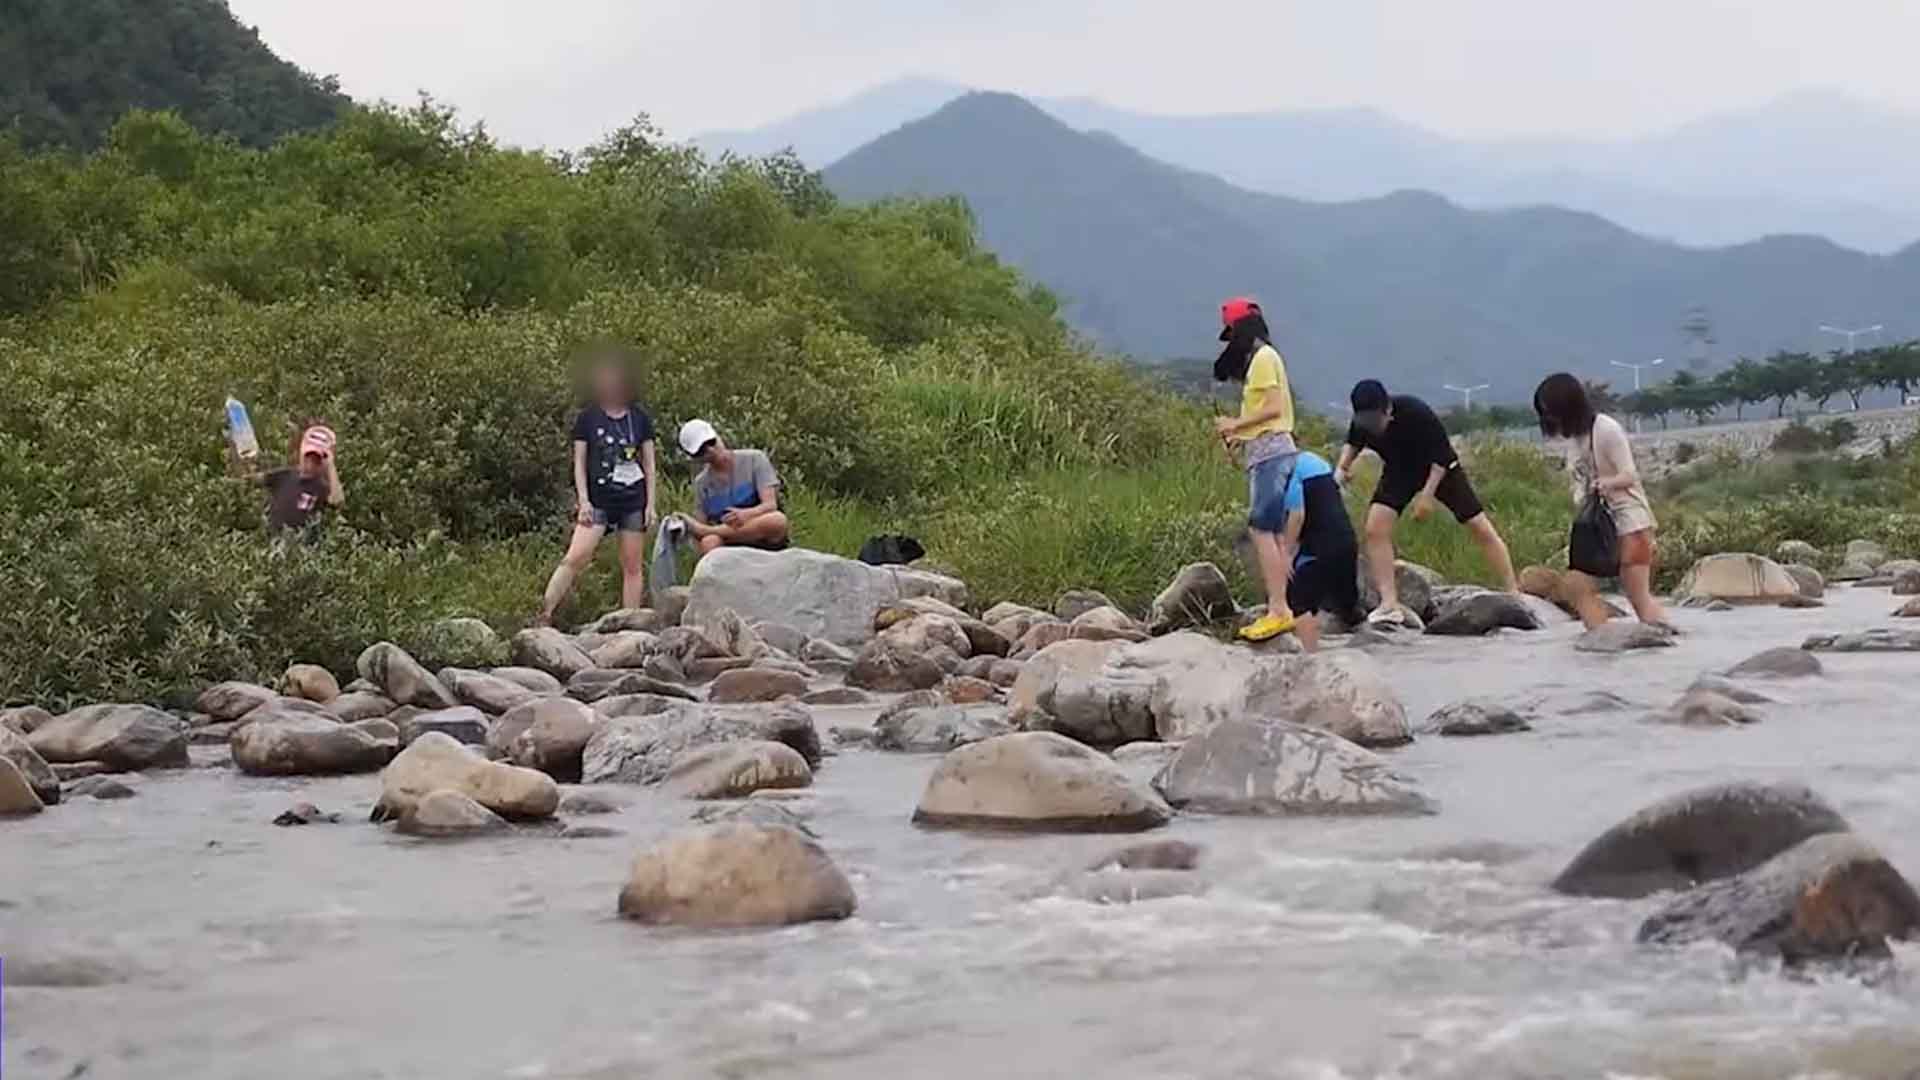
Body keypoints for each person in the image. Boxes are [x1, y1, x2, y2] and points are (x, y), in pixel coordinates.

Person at [1336, 379, 1518, 624]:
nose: (1372, 426)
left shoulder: (1415, 413)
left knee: (1479, 526)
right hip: (1400, 471)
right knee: (1375, 528)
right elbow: (1353, 444)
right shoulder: (1363, 422)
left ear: (1387, 409)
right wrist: (1343, 468)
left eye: (1376, 420)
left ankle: (1514, 591)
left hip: (1440, 469)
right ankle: (1389, 603)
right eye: (1366, 421)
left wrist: (1427, 496)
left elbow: (1441, 456)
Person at [1532, 373, 1670, 631]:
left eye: (1550, 411)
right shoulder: (1576, 437)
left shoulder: (1606, 429)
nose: (1547, 418)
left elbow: (1629, 475)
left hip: (1630, 523)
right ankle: (1604, 640)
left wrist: (1605, 484)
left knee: (1639, 599)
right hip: (1597, 528)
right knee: (1577, 586)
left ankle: (1660, 641)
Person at [535, 357, 657, 626]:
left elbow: (649, 464)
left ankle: (630, 622)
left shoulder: (639, 419)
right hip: (598, 498)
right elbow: (578, 462)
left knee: (632, 565)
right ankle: (544, 612)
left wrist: (651, 504)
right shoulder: (588, 418)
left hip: (632, 498)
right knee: (575, 556)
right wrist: (583, 500)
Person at [1210, 297, 1300, 642]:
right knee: (1273, 532)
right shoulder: (1267, 356)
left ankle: (1278, 610)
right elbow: (1267, 412)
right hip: (1271, 450)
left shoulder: (1262, 358)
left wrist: (1234, 424)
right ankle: (1282, 607)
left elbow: (1273, 408)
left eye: (1231, 332)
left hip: (1271, 453)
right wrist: (1240, 434)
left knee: (1262, 529)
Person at [1273, 451, 1363, 651]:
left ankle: (1312, 659)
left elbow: (1297, 515)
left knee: (1298, 598)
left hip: (1320, 548)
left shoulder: (1288, 469)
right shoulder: (1316, 461)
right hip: (1347, 542)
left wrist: (1285, 553)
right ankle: (1369, 646)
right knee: (1346, 607)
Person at [677, 419, 790, 555]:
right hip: (729, 542)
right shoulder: (702, 484)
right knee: (709, 542)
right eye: (702, 451)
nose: (711, 451)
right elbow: (700, 526)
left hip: (761, 532)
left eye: (711, 442)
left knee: (777, 520)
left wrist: (746, 515)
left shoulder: (754, 459)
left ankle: (716, 532)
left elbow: (770, 505)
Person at [240, 422, 344, 534]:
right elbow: (248, 480)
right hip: (272, 542)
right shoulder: (285, 475)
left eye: (316, 459)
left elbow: (337, 502)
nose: (310, 463)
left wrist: (331, 465)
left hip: (300, 547)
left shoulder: (321, 487)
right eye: (308, 457)